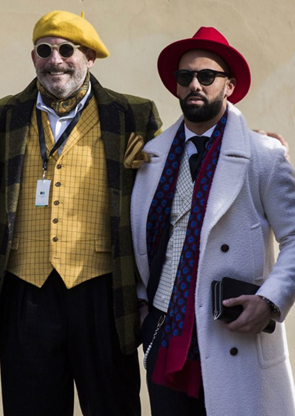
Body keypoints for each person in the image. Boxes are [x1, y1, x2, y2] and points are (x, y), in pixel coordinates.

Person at [0, 10, 161, 415]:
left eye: (67, 50)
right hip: (23, 290)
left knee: (113, 407)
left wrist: (249, 140)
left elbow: (171, 174)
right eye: (44, 50)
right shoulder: (1, 115)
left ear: (89, 58)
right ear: (33, 58)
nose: (55, 60)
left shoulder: (133, 114)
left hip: (103, 290)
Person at [131, 27, 295, 415]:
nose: (195, 85)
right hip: (164, 331)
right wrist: (143, 307)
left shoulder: (263, 155)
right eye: (185, 76)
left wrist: (271, 300)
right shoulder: (151, 156)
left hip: (233, 329)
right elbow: (142, 240)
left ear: (229, 86)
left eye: (207, 76)